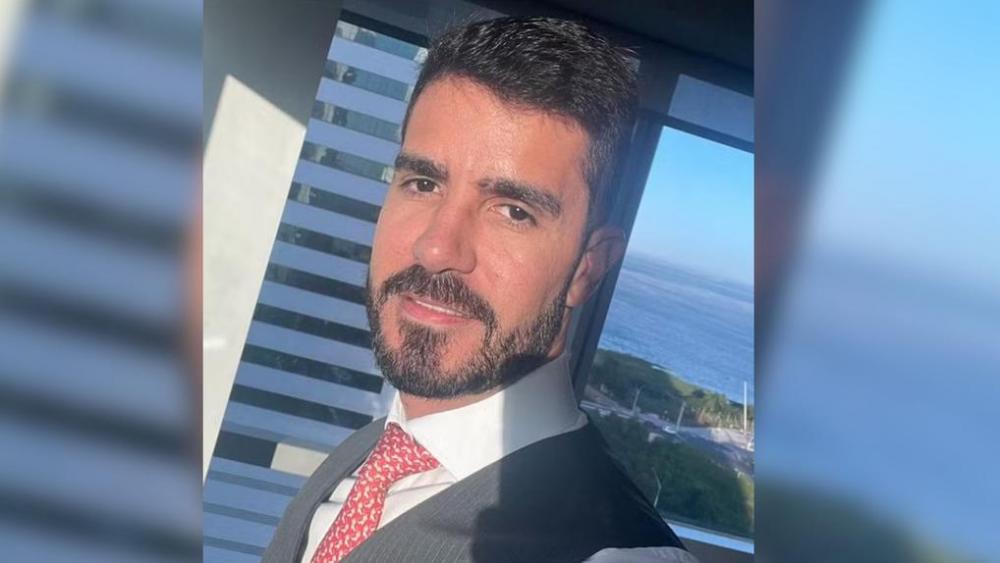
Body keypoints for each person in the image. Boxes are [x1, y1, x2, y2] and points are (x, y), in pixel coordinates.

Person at [263, 16, 697, 563]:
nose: (436, 248)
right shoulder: (369, 452)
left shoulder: (611, 553)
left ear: (588, 268)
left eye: (513, 211)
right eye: (423, 183)